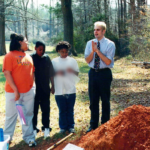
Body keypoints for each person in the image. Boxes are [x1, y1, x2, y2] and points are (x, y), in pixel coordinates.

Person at [3, 33, 36, 147]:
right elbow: (7, 73)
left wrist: (32, 86)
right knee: (11, 115)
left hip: (27, 92)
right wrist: (16, 90)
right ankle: (7, 139)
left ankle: (29, 138)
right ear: (19, 42)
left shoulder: (28, 56)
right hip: (13, 93)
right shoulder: (9, 56)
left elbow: (32, 73)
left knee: (26, 115)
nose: (27, 42)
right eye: (26, 40)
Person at [85, 21, 115, 133]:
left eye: (98, 30)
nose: (95, 32)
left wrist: (97, 51)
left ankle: (105, 124)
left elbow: (108, 61)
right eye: (94, 30)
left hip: (104, 73)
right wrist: (92, 52)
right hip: (93, 73)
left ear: (103, 31)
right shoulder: (89, 43)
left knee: (105, 100)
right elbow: (87, 60)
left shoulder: (110, 44)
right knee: (93, 100)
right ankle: (93, 125)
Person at [52, 41, 79, 133]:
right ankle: (63, 127)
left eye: (66, 52)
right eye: (62, 52)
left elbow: (77, 73)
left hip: (70, 89)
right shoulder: (54, 61)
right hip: (59, 89)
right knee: (62, 110)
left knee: (70, 109)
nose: (65, 54)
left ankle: (71, 126)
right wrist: (57, 73)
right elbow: (50, 74)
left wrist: (72, 71)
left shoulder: (72, 61)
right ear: (58, 51)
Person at [31, 41, 55, 138]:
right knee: (34, 110)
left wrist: (53, 86)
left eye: (43, 50)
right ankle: (33, 128)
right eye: (40, 49)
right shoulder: (31, 58)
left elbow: (51, 73)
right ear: (35, 48)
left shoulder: (47, 58)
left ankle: (46, 127)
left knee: (45, 109)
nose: (42, 51)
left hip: (45, 88)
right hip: (34, 89)